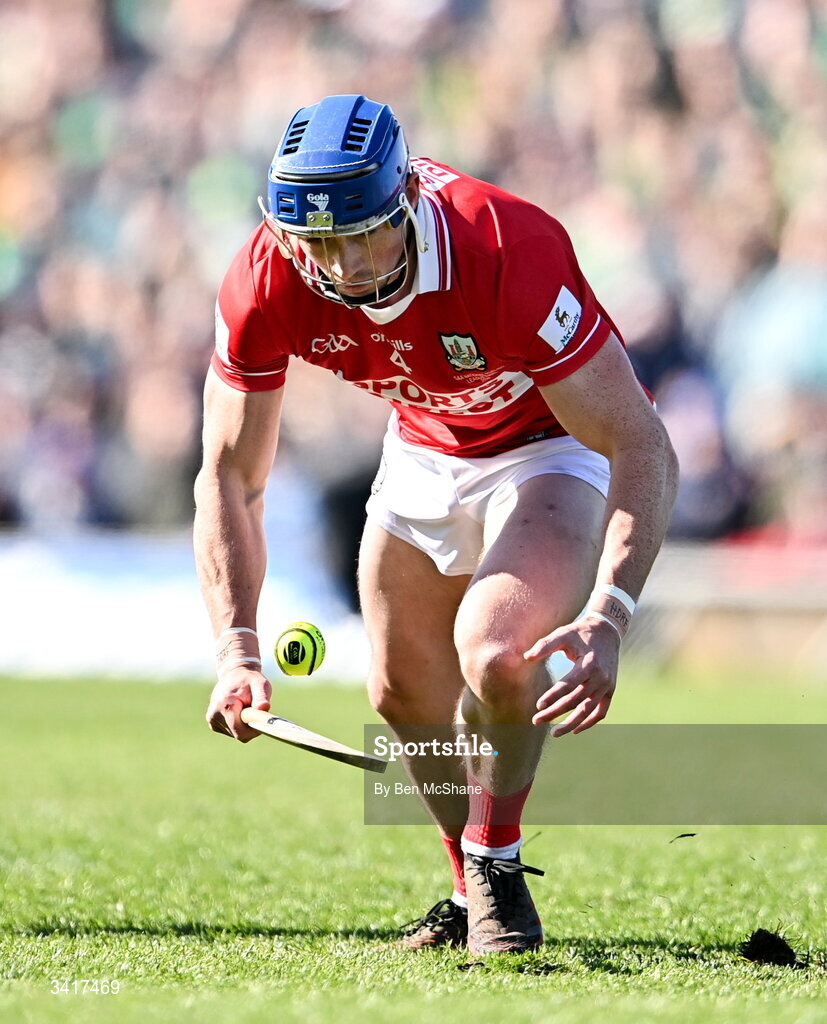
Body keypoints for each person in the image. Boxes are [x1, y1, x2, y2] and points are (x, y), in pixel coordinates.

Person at [194, 94, 679, 955]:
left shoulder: (505, 247)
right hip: (422, 449)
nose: (340, 266)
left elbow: (641, 440)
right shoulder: (264, 278)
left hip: (550, 447)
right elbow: (231, 475)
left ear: (406, 202)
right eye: (316, 243)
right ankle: (466, 889)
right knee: (399, 694)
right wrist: (235, 647)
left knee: (493, 653)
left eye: (361, 236)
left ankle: (498, 869)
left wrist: (610, 615)